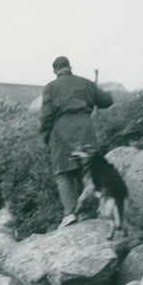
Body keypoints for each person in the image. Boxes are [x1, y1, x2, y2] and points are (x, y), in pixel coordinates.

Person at [40, 56, 113, 228]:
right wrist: (97, 89)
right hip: (84, 129)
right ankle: (86, 212)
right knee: (85, 169)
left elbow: (46, 115)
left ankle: (70, 213)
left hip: (60, 131)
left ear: (55, 70)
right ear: (70, 67)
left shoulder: (50, 87)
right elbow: (107, 101)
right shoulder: (86, 83)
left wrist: (45, 136)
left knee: (63, 173)